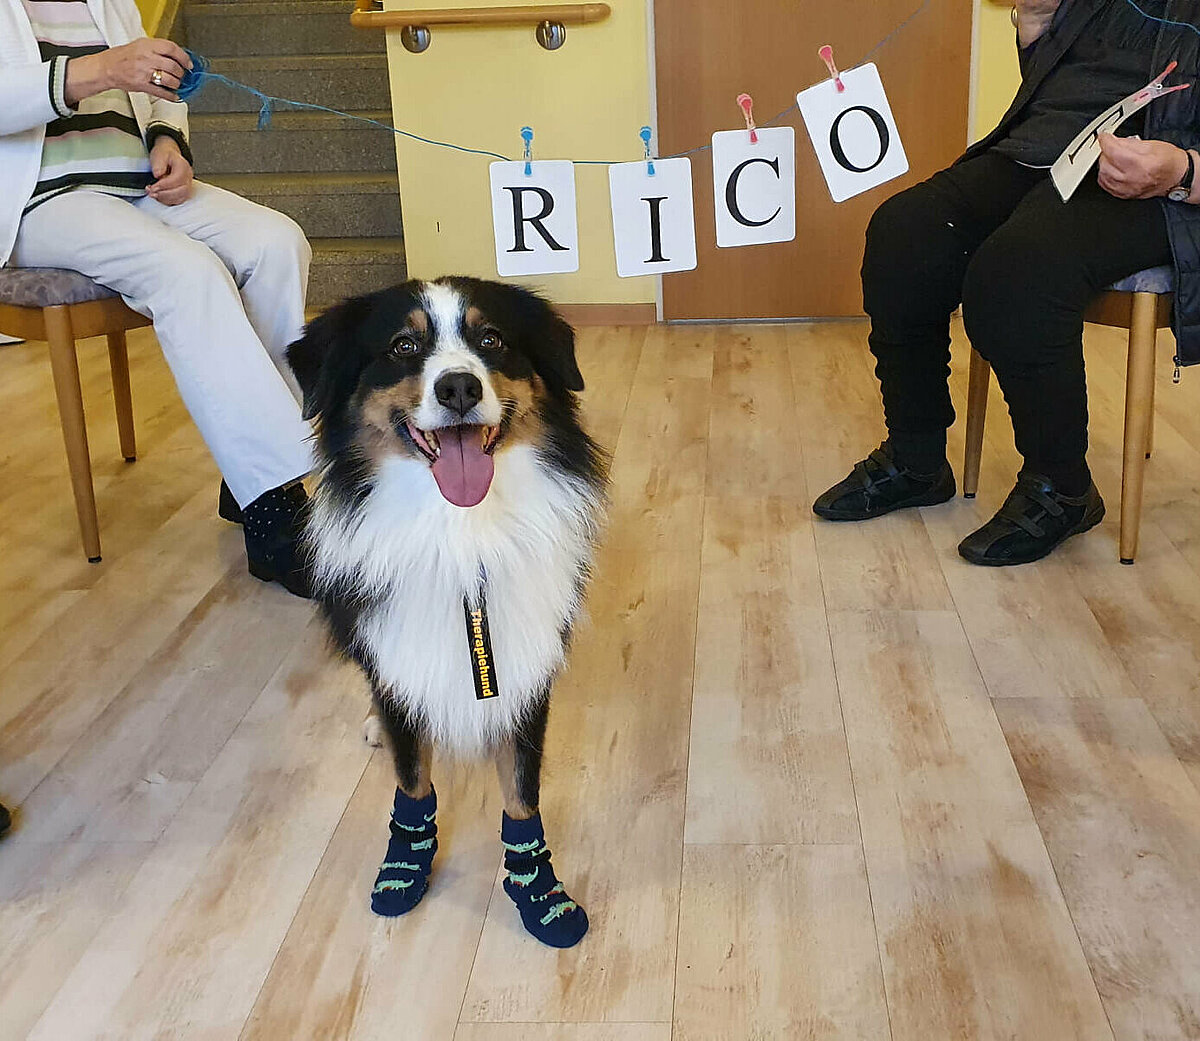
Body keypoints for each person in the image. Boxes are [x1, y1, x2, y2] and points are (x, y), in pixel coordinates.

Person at [814, 0, 1200, 565]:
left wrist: (1182, 171)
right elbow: (1066, 84)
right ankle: (916, 457)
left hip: (1154, 181)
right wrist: (1035, 24)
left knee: (1017, 272)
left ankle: (1062, 487)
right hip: (1040, 153)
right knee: (905, 235)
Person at [1, 0, 315, 595]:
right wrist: (96, 72)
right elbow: (104, 73)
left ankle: (247, 465)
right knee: (188, 273)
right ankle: (275, 502)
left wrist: (170, 138)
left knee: (278, 241)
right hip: (38, 202)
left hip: (137, 187)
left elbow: (156, 88)